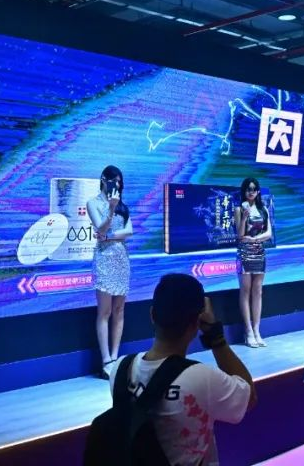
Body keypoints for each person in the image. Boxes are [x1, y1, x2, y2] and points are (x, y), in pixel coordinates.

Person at [108, 274, 255, 466]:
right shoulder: (202, 378)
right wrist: (216, 338)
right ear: (196, 323)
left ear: (152, 315)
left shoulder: (120, 369)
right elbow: (249, 397)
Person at [87, 165, 133, 378]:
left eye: (120, 181)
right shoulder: (93, 203)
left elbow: (129, 231)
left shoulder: (123, 205)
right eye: (114, 180)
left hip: (121, 259)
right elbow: (100, 228)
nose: (117, 184)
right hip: (104, 260)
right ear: (104, 180)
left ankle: (115, 356)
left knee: (119, 310)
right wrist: (111, 209)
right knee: (104, 312)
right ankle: (105, 359)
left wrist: (109, 236)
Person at [236, 176, 273, 347]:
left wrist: (255, 239)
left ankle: (257, 330)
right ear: (244, 191)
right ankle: (248, 331)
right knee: (245, 290)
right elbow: (240, 235)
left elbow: (269, 233)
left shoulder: (263, 209)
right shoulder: (239, 209)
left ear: (258, 191)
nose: (251, 192)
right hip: (244, 253)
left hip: (259, 252)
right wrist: (244, 217)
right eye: (248, 189)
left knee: (258, 291)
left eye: (254, 189)